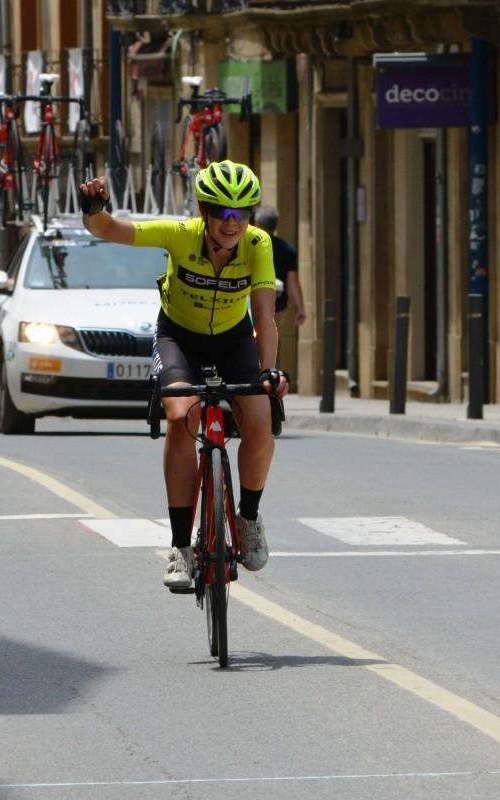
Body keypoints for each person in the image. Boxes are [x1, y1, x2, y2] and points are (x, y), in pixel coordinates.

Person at [79, 160, 290, 590]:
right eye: (222, 213)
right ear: (203, 211)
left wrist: (269, 373)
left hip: (234, 340)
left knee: (260, 423)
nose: (232, 223)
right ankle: (181, 547)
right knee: (180, 418)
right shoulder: (179, 236)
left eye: (241, 213)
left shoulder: (259, 244)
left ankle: (247, 520)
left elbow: (265, 317)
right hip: (179, 338)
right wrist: (94, 208)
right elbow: (109, 230)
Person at [251, 206, 306, 328]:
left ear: (258, 224)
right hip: (277, 305)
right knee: (273, 343)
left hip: (252, 303)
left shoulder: (251, 246)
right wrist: (300, 308)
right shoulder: (287, 249)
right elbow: (293, 280)